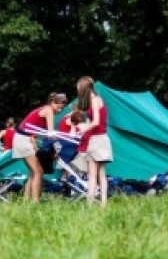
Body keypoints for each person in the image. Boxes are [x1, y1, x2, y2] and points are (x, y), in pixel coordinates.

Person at [12, 92, 67, 202]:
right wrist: (59, 146)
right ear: (52, 103)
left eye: (61, 108)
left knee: (33, 172)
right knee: (38, 171)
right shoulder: (49, 110)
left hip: (21, 138)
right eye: (58, 107)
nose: (59, 110)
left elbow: (36, 132)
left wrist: (35, 145)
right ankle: (35, 202)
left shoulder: (44, 109)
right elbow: (50, 134)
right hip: (23, 140)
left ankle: (26, 201)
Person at [74, 76, 113, 206]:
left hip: (97, 140)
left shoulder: (95, 100)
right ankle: (103, 204)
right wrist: (84, 125)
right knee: (101, 174)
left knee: (92, 175)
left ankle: (90, 204)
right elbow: (95, 121)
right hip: (102, 139)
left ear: (85, 88)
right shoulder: (96, 100)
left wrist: (84, 128)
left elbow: (95, 122)